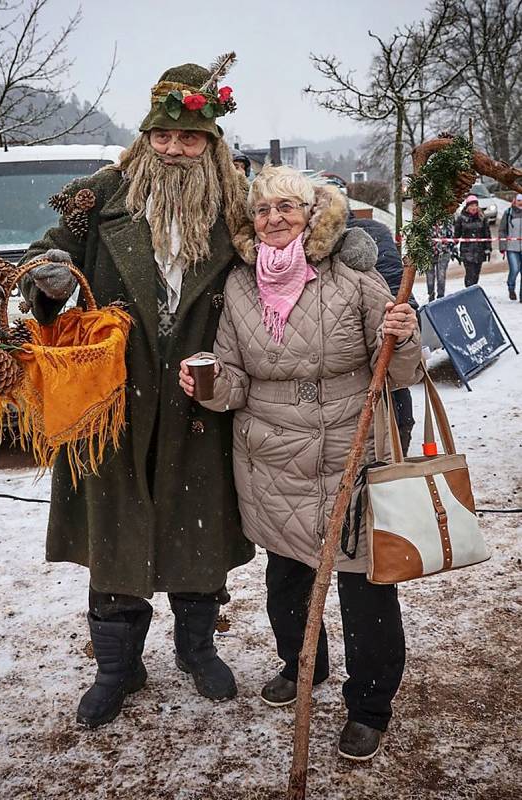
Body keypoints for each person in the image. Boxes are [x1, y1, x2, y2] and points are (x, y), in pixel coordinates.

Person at [15, 61, 256, 729]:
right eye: (163, 137)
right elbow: (43, 257)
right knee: (116, 536)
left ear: (211, 143)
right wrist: (51, 277)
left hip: (199, 398)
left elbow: (300, 241)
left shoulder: (237, 204)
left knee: (198, 530)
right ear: (146, 136)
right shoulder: (100, 195)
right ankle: (117, 669)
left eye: (189, 140)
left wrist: (353, 242)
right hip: (113, 402)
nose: (174, 150)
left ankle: (196, 650)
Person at [180, 166, 422, 761]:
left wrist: (406, 332)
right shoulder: (239, 287)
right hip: (270, 458)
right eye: (263, 211)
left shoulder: (356, 278)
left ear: (313, 215)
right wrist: (207, 385)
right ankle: (301, 663)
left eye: (288, 207)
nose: (275, 219)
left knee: (364, 584)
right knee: (286, 577)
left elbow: (401, 372)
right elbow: (234, 379)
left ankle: (369, 704)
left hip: (349, 450)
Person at [347, 210, 418, 456]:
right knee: (397, 394)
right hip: (392, 329)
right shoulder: (376, 229)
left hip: (380, 334)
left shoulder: (348, 241)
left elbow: (393, 280)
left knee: (391, 398)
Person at [454, 195, 491, 287]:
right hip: (467, 251)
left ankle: (472, 292)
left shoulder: (482, 218)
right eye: (471, 205)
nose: (473, 208)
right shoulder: (461, 218)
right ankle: (469, 292)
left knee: (476, 275)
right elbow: (457, 234)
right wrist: (453, 245)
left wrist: (488, 248)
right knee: (470, 274)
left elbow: (487, 234)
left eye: (475, 205)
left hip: (480, 250)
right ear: (467, 207)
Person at [498, 193, 522, 301]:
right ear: (514, 201)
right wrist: (503, 246)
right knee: (515, 269)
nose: (520, 203)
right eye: (519, 200)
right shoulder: (508, 213)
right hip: (512, 248)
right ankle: (511, 287)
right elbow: (502, 230)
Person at [426, 218, 456, 301]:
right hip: (429, 255)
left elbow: (452, 237)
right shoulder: (426, 223)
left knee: (441, 277)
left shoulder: (447, 224)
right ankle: (431, 296)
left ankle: (440, 297)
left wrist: (450, 245)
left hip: (443, 254)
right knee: (430, 278)